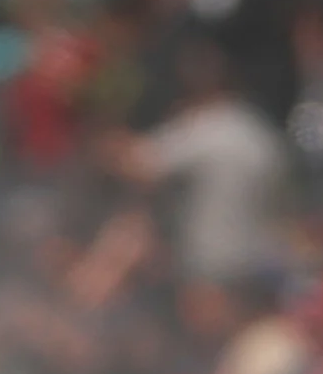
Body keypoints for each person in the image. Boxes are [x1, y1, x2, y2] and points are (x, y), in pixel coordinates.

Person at [115, 44, 287, 287]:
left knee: (127, 231)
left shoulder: (208, 125)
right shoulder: (261, 133)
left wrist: (104, 133)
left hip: (205, 262)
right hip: (253, 260)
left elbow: (140, 166)